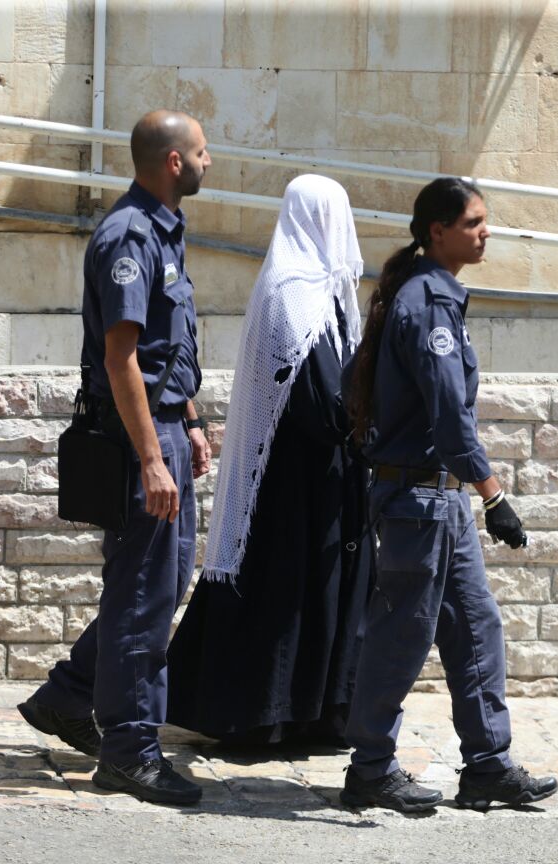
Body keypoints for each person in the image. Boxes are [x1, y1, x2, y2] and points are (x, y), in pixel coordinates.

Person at [339, 177, 558, 812]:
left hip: (440, 500)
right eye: (473, 222)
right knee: (402, 635)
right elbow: (448, 419)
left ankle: (487, 764)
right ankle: (371, 768)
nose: (485, 232)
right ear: (437, 231)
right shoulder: (425, 303)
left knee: (476, 628)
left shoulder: (426, 296)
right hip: (419, 501)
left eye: (485, 221)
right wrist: (495, 497)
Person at [16, 110, 213, 806]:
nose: (208, 162)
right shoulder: (131, 236)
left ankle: (69, 698)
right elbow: (122, 357)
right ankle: (129, 751)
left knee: (152, 587)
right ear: (171, 163)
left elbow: (166, 350)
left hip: (162, 428)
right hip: (140, 441)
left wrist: (189, 421)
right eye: (199, 152)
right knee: (142, 595)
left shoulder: (163, 231)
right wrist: (152, 459)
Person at [165, 174, 373, 745]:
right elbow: (318, 399)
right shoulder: (289, 293)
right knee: (284, 592)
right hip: (287, 477)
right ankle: (263, 720)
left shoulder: (330, 293)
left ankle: (317, 716)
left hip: (326, 475)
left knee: (322, 592)